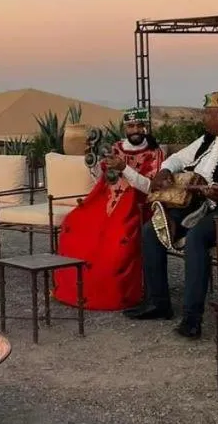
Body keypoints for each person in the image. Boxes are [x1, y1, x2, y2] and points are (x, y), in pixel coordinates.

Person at [128, 90, 218, 339]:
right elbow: (179, 157)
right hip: (201, 206)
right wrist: (165, 170)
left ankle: (192, 318)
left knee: (197, 238)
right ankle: (159, 303)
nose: (204, 118)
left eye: (207, 114)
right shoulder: (207, 140)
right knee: (151, 230)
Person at [54, 109, 165, 310]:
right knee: (73, 226)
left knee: (116, 240)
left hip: (136, 207)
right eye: (131, 126)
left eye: (139, 126)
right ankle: (75, 290)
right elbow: (103, 179)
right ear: (125, 128)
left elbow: (150, 187)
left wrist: (125, 168)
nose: (135, 130)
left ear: (145, 127)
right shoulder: (116, 147)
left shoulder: (154, 153)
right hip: (107, 201)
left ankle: (115, 293)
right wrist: (92, 162)